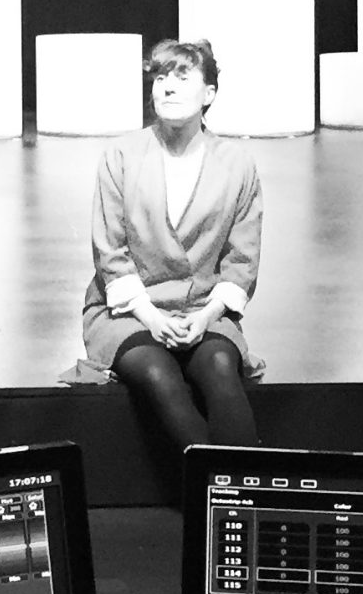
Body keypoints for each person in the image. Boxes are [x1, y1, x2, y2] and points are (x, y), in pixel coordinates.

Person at [81, 38, 263, 456]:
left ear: (209, 94)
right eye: (160, 77)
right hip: (126, 313)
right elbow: (110, 252)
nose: (167, 86)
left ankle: (245, 488)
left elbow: (243, 257)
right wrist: (150, 315)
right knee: (158, 374)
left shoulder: (237, 163)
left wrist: (207, 316)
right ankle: (213, 486)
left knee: (220, 366)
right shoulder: (121, 155)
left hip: (203, 310)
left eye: (182, 77)